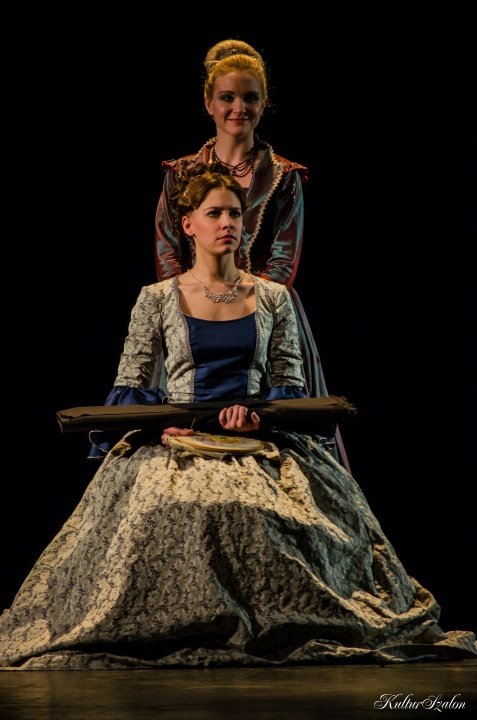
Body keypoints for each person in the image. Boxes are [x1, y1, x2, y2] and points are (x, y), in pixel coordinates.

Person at [1, 164, 475, 671]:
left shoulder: (272, 297)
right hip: (175, 443)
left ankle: (272, 627)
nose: (227, 222)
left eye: (234, 213)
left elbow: (288, 381)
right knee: (169, 511)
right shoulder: (156, 299)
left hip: (260, 440)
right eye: (214, 213)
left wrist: (260, 421)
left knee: (274, 516)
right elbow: (131, 383)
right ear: (189, 225)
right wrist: (160, 426)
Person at [154, 38, 352, 474]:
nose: (238, 108)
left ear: (263, 104)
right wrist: (194, 301)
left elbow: (282, 262)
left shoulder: (284, 176)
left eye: (250, 98)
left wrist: (239, 304)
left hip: (265, 309)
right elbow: (168, 250)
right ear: (209, 103)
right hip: (190, 308)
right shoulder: (181, 172)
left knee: (282, 438)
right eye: (227, 97)